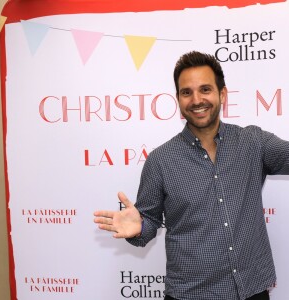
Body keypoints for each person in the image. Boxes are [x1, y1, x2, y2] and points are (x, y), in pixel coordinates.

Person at [94, 51, 289, 300]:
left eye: (205, 89)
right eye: (187, 92)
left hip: (251, 291)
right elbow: (149, 221)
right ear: (178, 99)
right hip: (191, 294)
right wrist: (140, 226)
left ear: (222, 94)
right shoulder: (160, 161)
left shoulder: (253, 142)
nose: (196, 100)